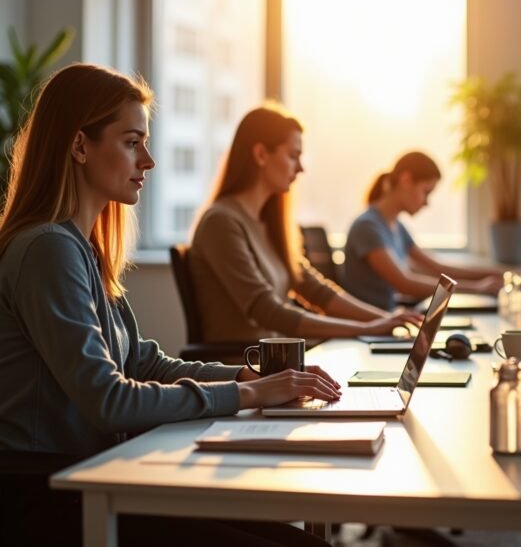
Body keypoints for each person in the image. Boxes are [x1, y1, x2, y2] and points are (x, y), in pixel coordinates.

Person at [0, 63, 339, 547]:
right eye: (132, 142)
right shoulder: (47, 250)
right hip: (48, 494)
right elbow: (109, 400)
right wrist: (248, 396)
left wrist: (245, 376)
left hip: (95, 475)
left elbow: (142, 361)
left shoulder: (82, 248)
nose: (149, 160)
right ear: (79, 147)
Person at [188, 105, 420, 343]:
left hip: (278, 364)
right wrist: (369, 328)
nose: (300, 168)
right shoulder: (221, 223)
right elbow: (269, 313)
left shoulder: (267, 223)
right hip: (246, 368)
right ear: (260, 155)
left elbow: (315, 290)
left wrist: (387, 321)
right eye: (292, 156)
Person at [344, 151, 504, 311]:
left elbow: (438, 268)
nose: (426, 203)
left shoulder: (397, 227)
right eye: (426, 192)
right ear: (406, 180)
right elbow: (404, 283)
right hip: (371, 328)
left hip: (386, 321)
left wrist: (502, 273)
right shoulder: (367, 227)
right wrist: (477, 288)